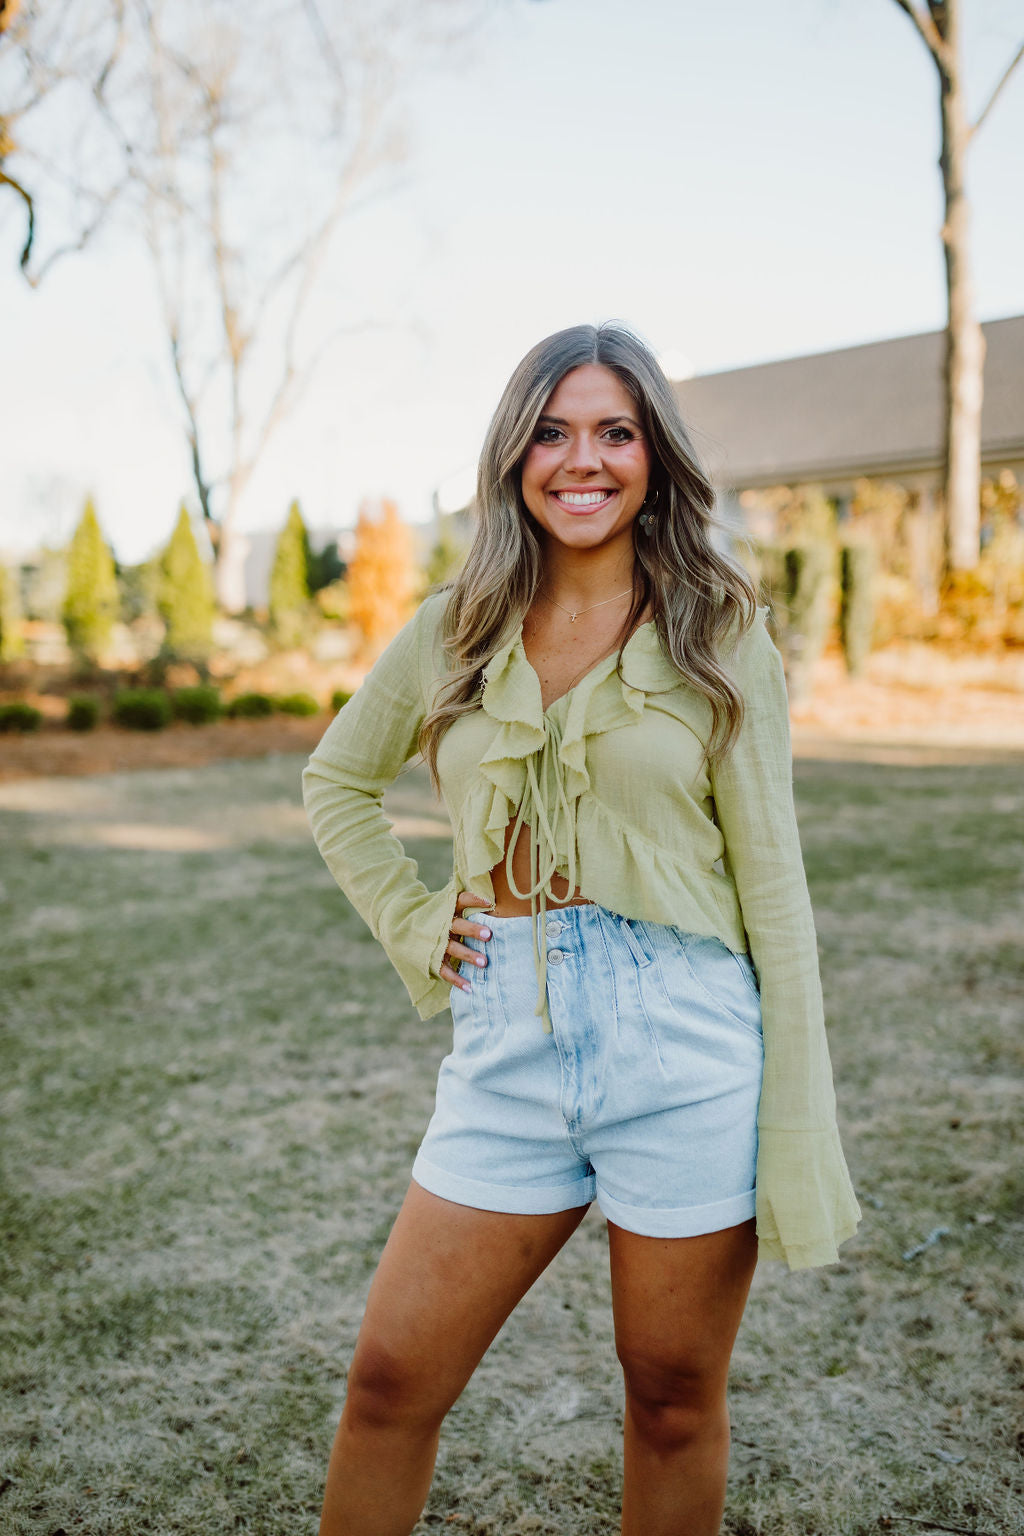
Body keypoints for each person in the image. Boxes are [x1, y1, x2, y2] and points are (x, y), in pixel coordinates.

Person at [302, 321, 861, 1536]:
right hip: (503, 1039)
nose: (582, 460)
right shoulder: (456, 622)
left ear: (653, 453)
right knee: (390, 1382)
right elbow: (335, 782)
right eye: (551, 432)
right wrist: (413, 917)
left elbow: (775, 885)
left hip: (684, 1037)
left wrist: (796, 1117)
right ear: (514, 456)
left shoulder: (719, 630)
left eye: (614, 431)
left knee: (668, 1397)